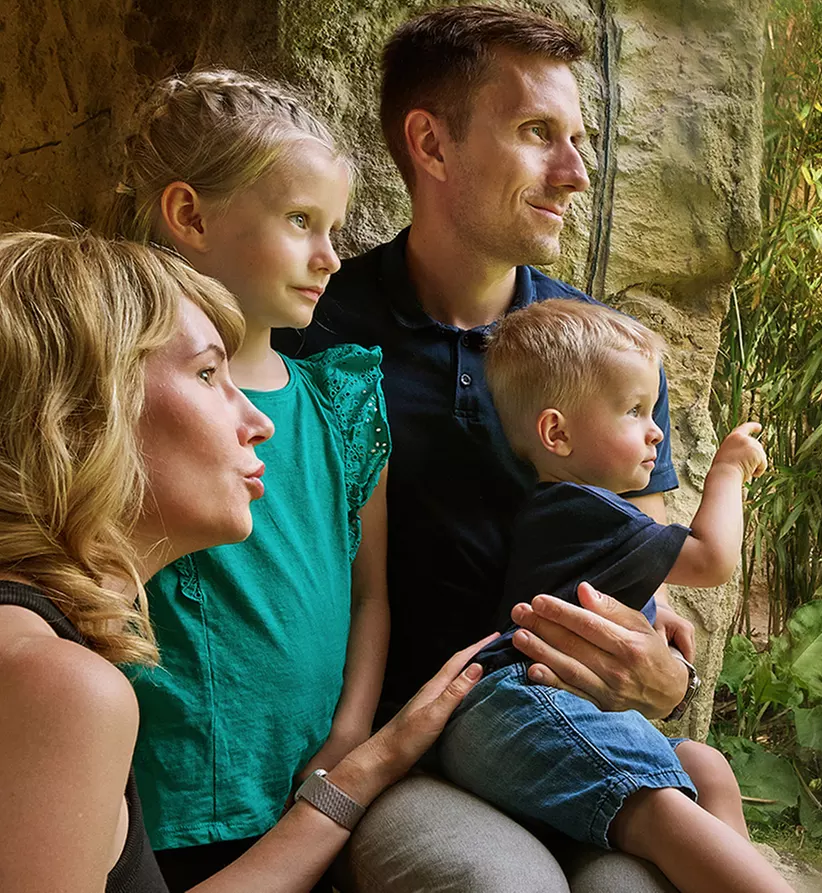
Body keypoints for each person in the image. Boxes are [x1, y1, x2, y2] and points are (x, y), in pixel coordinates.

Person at [276, 7, 708, 890]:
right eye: (537, 134)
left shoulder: (610, 355)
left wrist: (668, 674)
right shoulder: (312, 336)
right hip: (405, 746)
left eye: (578, 138)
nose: (576, 172)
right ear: (431, 146)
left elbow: (646, 589)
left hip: (567, 729)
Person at [0, 230, 495, 892]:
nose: (258, 420)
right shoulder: (57, 686)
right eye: (208, 373)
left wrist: (364, 766)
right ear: (82, 415)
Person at [109, 70, 392, 889]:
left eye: (332, 226)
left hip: (312, 784)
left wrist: (350, 735)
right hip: (161, 793)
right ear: (190, 215)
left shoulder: (341, 402)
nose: (331, 256)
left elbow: (370, 590)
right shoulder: (123, 394)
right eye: (301, 221)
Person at [436, 300, 784, 893]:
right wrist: (724, 471)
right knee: (657, 810)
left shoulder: (580, 510)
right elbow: (711, 558)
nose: (657, 430)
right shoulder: (583, 507)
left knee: (708, 767)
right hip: (520, 704)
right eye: (634, 411)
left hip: (544, 711)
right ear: (557, 433)